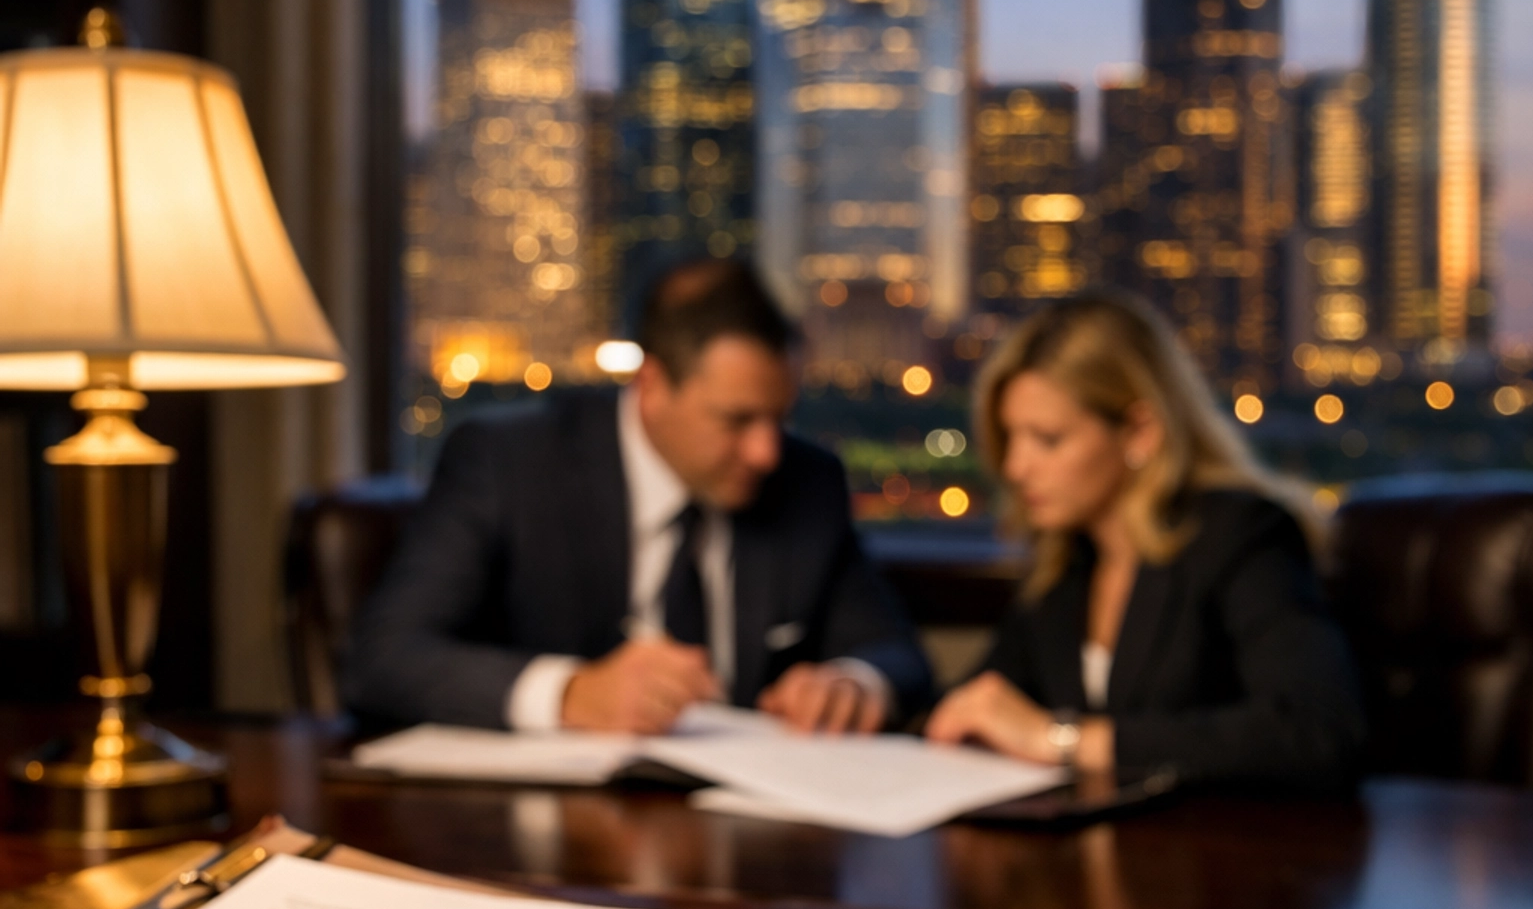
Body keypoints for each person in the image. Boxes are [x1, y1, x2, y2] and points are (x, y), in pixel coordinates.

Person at [345, 261, 932, 734]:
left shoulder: (808, 482)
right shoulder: (508, 463)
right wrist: (573, 694)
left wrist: (854, 683)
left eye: (780, 418)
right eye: (737, 420)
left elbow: (897, 655)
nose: (766, 453)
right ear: (651, 386)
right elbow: (384, 658)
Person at [926, 292, 1364, 791]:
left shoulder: (1243, 534)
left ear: (1140, 431)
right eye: (1011, 438)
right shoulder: (1065, 566)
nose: (1015, 468)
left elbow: (1316, 732)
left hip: (1228, 854)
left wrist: (1060, 740)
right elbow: (978, 706)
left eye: (1047, 439)